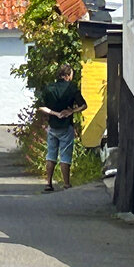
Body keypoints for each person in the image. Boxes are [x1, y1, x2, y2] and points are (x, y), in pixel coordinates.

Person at [38, 64, 86, 192]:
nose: (71, 77)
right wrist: (71, 111)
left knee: (51, 154)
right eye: (71, 75)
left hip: (52, 126)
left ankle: (48, 183)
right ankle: (66, 183)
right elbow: (84, 105)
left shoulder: (49, 88)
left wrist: (55, 113)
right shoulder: (71, 88)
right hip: (66, 126)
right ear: (67, 75)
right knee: (65, 155)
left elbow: (42, 107)